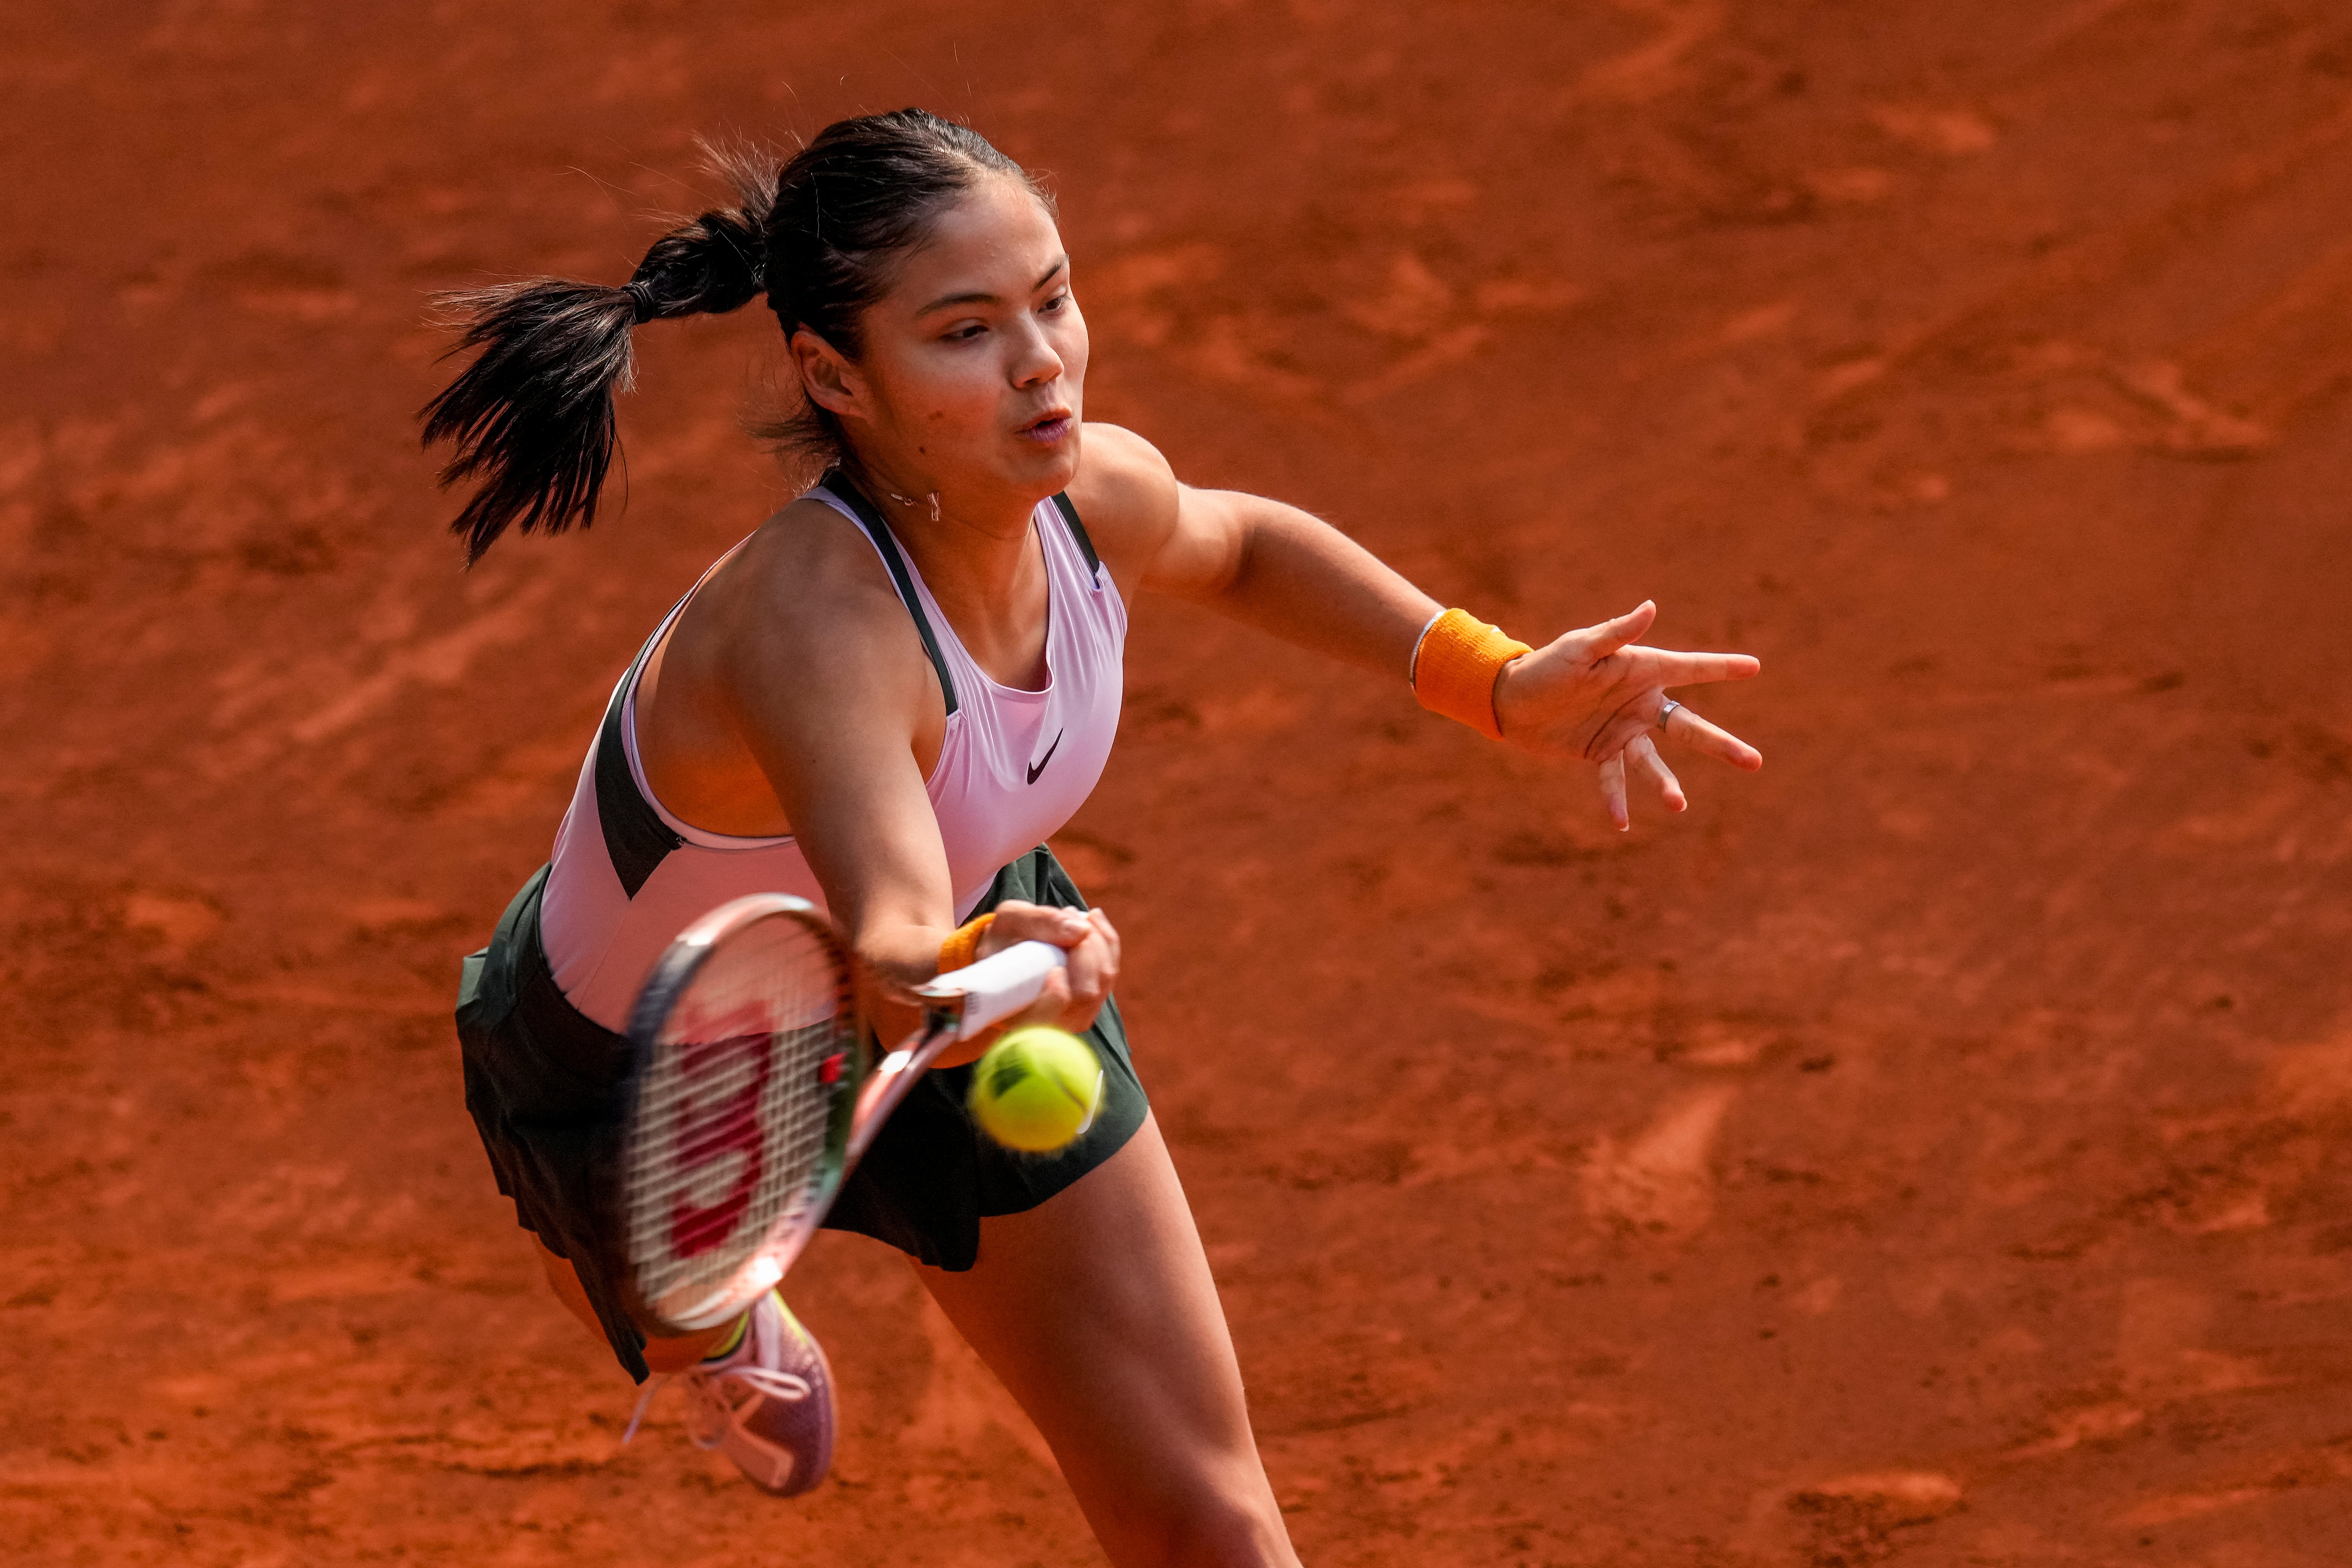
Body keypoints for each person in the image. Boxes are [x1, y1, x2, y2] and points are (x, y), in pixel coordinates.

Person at [427, 108, 1760, 1566]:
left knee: (1207, 1518)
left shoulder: (1087, 494)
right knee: (681, 1315)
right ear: (833, 374)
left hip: (968, 971)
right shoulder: (816, 630)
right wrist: (988, 964)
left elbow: (1236, 541)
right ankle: (722, 1319)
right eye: (966, 332)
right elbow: (887, 940)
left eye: (1053, 298)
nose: (1042, 359)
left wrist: (1494, 683)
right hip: (654, 1062)